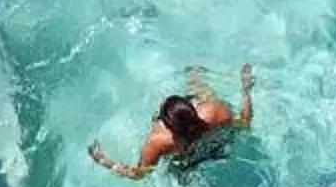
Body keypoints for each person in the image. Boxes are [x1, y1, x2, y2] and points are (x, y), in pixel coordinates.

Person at [90, 64, 254, 180]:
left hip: (185, 167)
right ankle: (193, 73)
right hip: (216, 151)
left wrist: (105, 162)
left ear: (168, 126)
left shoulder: (159, 141)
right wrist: (245, 90)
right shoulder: (214, 112)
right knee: (203, 91)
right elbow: (245, 123)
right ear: (194, 110)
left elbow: (139, 174)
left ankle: (192, 73)